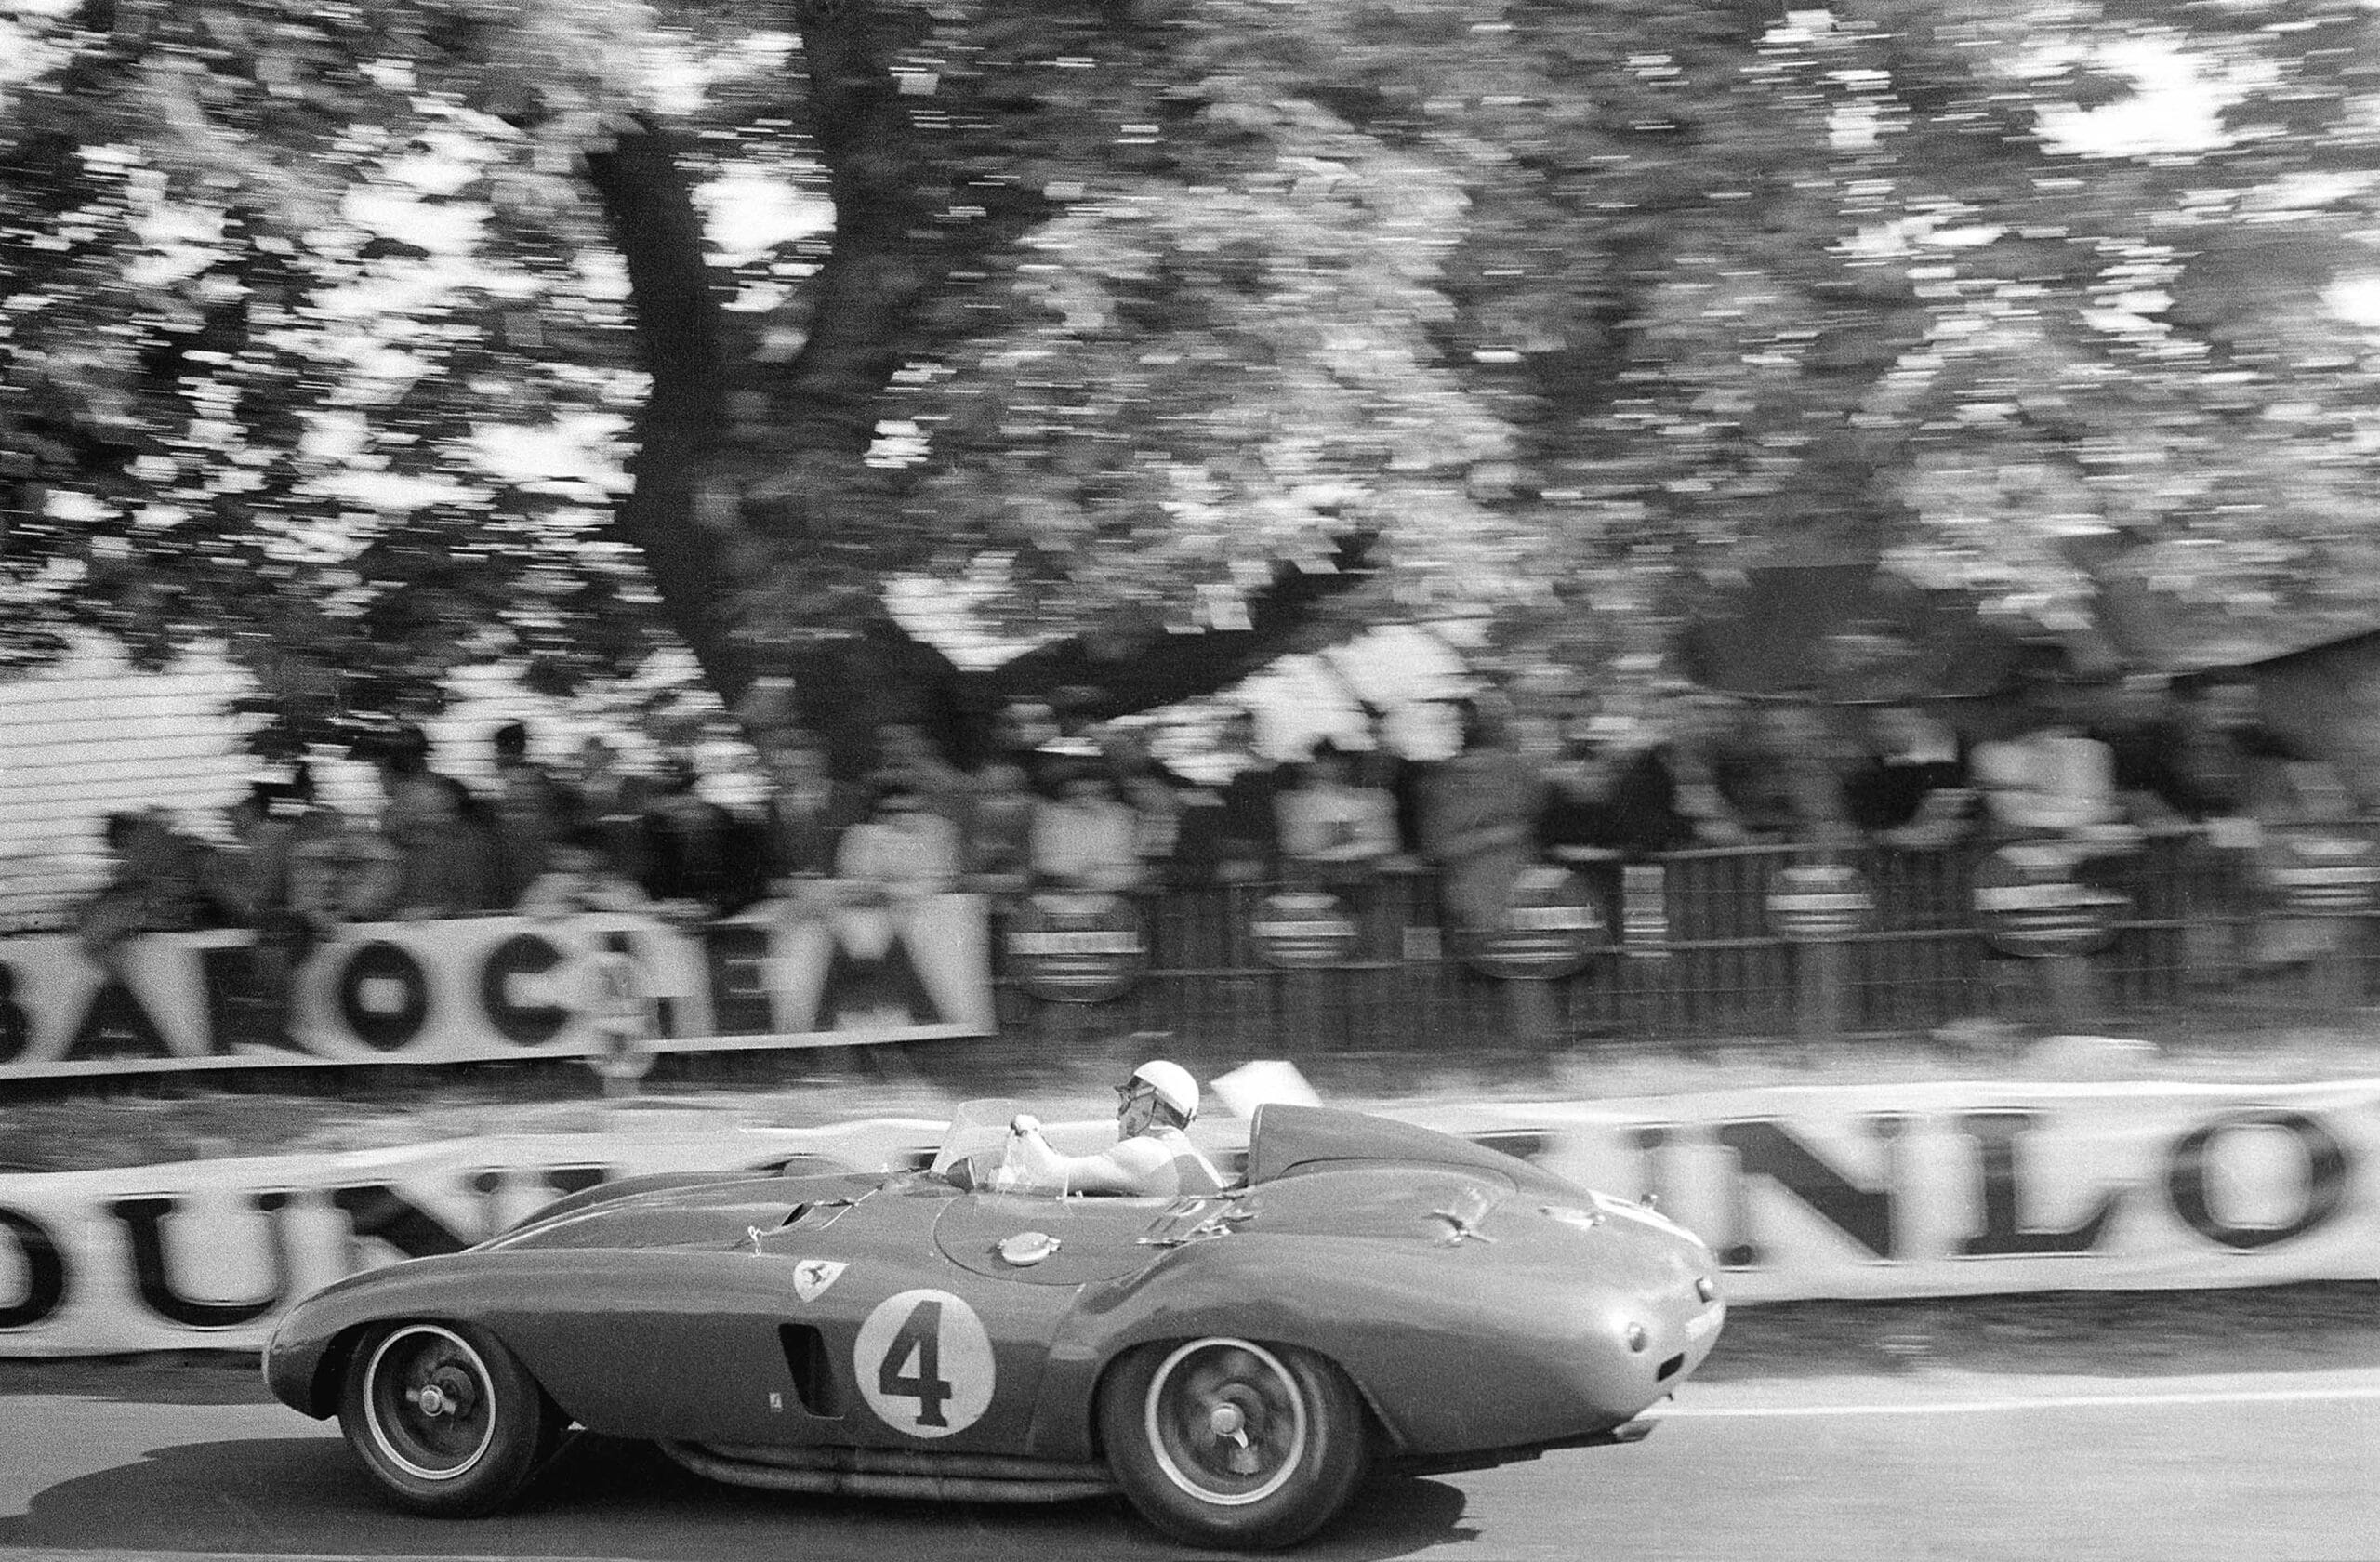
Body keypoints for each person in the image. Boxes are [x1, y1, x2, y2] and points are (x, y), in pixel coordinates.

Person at [998, 1060, 1228, 1197]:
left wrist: (1026, 1130)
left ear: (1149, 1106)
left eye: (1127, 1101)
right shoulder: (1193, 1158)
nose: (1119, 1115)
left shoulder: (1146, 1151)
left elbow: (1049, 1176)